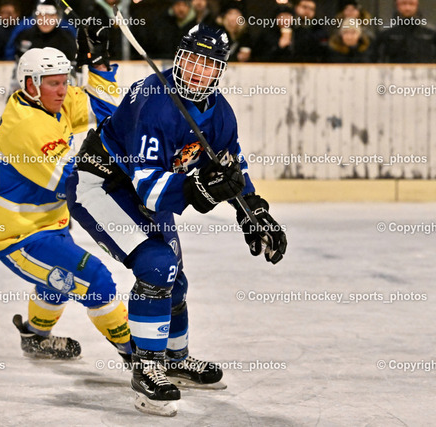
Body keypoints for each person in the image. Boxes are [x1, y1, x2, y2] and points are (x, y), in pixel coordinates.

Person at [66, 24, 287, 416]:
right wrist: (200, 188)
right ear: (180, 58)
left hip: (145, 188)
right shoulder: (153, 102)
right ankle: (146, 368)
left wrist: (252, 210)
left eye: (208, 64)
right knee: (157, 266)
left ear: (220, 70)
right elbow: (150, 189)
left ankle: (174, 359)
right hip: (102, 184)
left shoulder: (221, 114)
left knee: (175, 281)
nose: (198, 71)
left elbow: (230, 165)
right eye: (193, 60)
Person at [0, 34, 133, 361]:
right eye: (53, 84)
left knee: (60, 278)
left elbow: (107, 110)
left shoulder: (49, 102)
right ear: (30, 85)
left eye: (64, 82)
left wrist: (99, 64)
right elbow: (71, 183)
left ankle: (35, 336)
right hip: (18, 234)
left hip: (48, 223)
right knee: (97, 280)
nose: (62, 91)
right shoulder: (25, 127)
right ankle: (140, 356)